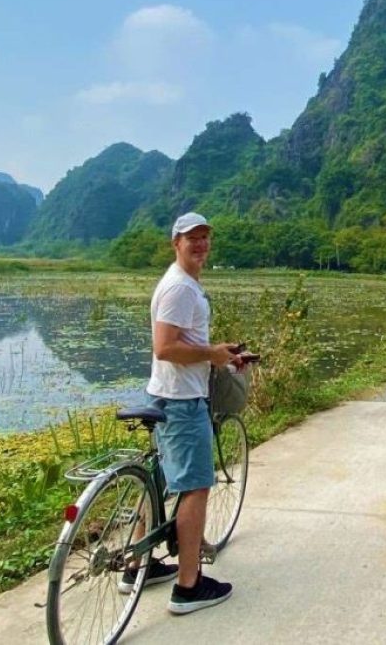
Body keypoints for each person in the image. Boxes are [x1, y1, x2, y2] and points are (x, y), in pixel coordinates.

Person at [135, 212, 246, 614]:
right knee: (196, 486)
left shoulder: (184, 284)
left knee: (162, 480)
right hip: (182, 402)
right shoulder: (179, 288)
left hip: (167, 393)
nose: (200, 244)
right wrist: (210, 354)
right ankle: (188, 585)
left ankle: (138, 566)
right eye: (191, 238)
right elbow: (164, 347)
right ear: (175, 243)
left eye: (205, 238)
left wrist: (221, 355)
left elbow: (185, 343)